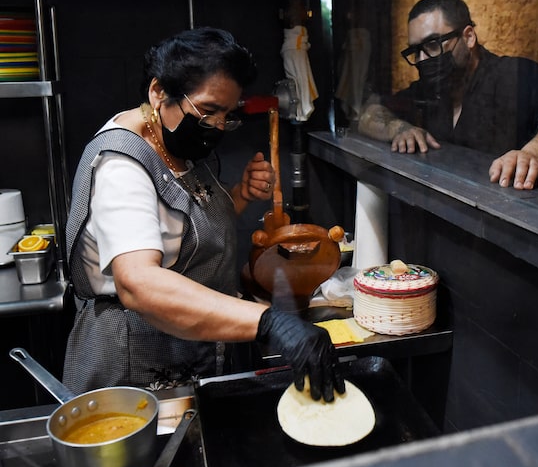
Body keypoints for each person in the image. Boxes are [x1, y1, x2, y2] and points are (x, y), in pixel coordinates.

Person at [62, 27, 344, 402]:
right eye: (208, 111)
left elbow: (182, 229)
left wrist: (240, 195)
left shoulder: (171, 139)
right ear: (159, 92)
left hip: (192, 351)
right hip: (135, 367)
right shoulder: (121, 166)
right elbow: (138, 283)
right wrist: (268, 322)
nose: (215, 126)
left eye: (227, 114)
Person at [358, 0, 538, 190]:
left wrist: (534, 154)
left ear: (468, 37)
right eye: (415, 51)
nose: (422, 60)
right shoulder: (430, 90)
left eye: (432, 45)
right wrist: (400, 128)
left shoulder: (513, 74)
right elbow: (368, 115)